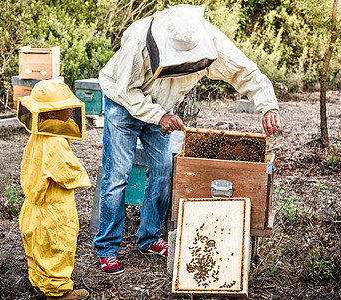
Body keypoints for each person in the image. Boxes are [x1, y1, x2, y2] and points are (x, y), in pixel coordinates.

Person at [93, 4, 280, 274]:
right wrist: (158, 116)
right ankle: (107, 247)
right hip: (123, 105)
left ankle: (148, 238)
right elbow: (125, 90)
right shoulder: (138, 38)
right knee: (118, 175)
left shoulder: (209, 38)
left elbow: (244, 71)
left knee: (163, 172)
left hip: (162, 110)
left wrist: (267, 105)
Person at [17, 80, 91, 300]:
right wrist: (82, 175)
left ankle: (39, 283)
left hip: (34, 207)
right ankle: (58, 294)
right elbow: (68, 174)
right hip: (53, 211)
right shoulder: (54, 142)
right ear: (49, 115)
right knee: (57, 250)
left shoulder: (37, 136)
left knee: (39, 250)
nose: (71, 108)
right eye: (65, 106)